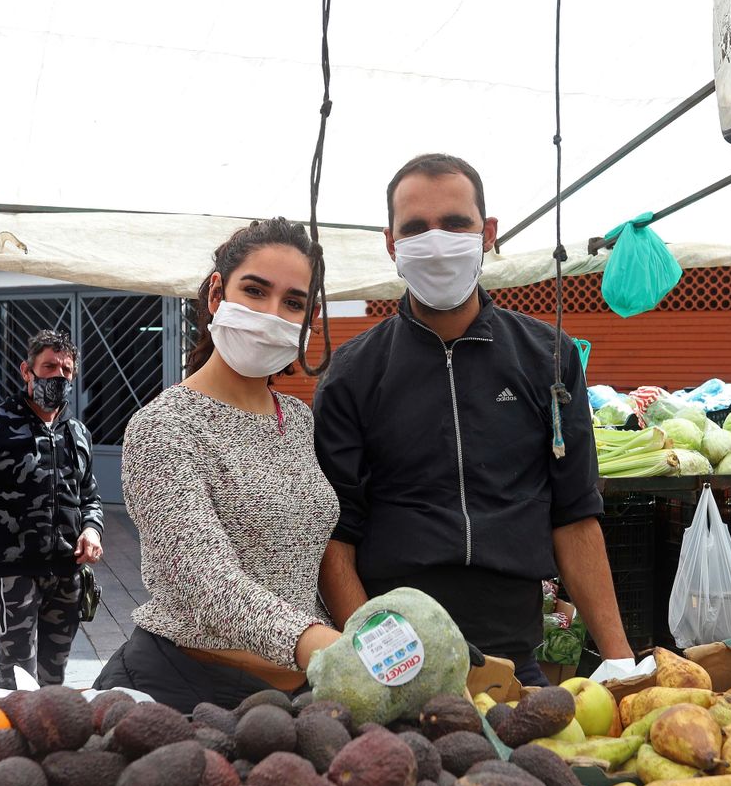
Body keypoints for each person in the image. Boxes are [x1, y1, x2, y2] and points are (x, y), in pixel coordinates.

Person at [313, 153, 634, 687]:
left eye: (455, 224)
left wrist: (619, 659)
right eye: (415, 228)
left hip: (514, 659)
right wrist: (371, 656)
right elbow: (335, 536)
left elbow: (575, 514)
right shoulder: (352, 374)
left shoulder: (548, 357)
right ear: (391, 243)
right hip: (395, 657)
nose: (436, 242)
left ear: (487, 233)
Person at [93, 218, 340, 712]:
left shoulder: (297, 419)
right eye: (255, 291)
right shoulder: (163, 426)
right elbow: (205, 582)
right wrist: (328, 647)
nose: (272, 313)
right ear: (215, 294)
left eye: (293, 303)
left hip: (292, 694)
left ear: (309, 319)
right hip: (185, 689)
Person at [0, 329, 104, 689]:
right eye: (49, 367)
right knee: (16, 685)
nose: (58, 376)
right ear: (26, 371)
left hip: (67, 577)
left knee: (54, 684)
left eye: (66, 370)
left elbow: (90, 497)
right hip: (14, 577)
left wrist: (92, 529)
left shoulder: (78, 433)